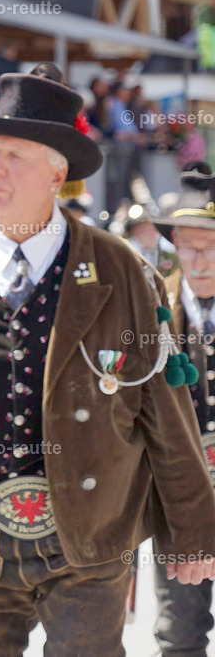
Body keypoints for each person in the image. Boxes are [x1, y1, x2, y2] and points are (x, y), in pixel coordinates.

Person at [0, 62, 215, 655]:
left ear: (57, 173)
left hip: (89, 536)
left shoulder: (121, 271)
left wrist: (192, 531)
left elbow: (165, 406)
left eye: (14, 156)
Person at [152, 170, 215, 655]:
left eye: (212, 247)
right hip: (180, 502)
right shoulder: (149, 306)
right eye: (190, 247)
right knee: (179, 633)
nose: (201, 261)